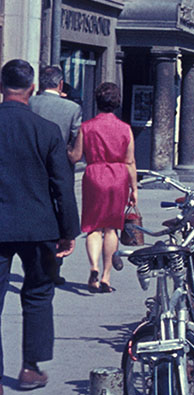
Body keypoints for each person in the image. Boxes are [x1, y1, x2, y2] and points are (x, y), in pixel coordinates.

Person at [0, 59, 79, 395]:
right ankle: (30, 367)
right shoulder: (46, 130)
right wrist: (68, 231)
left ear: (1, 87)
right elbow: (62, 184)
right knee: (38, 295)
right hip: (40, 227)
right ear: (31, 90)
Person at [71, 82, 137, 293]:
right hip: (118, 178)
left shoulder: (86, 127)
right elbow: (130, 161)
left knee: (92, 227)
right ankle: (107, 276)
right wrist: (134, 189)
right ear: (117, 103)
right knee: (111, 228)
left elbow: (76, 156)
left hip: (94, 176)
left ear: (97, 101)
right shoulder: (125, 128)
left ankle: (93, 267)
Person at [29, 65, 82, 285]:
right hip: (58, 168)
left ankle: (32, 260)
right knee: (57, 213)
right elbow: (75, 139)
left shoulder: (29, 103)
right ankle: (53, 267)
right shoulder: (71, 108)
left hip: (30, 167)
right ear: (60, 84)